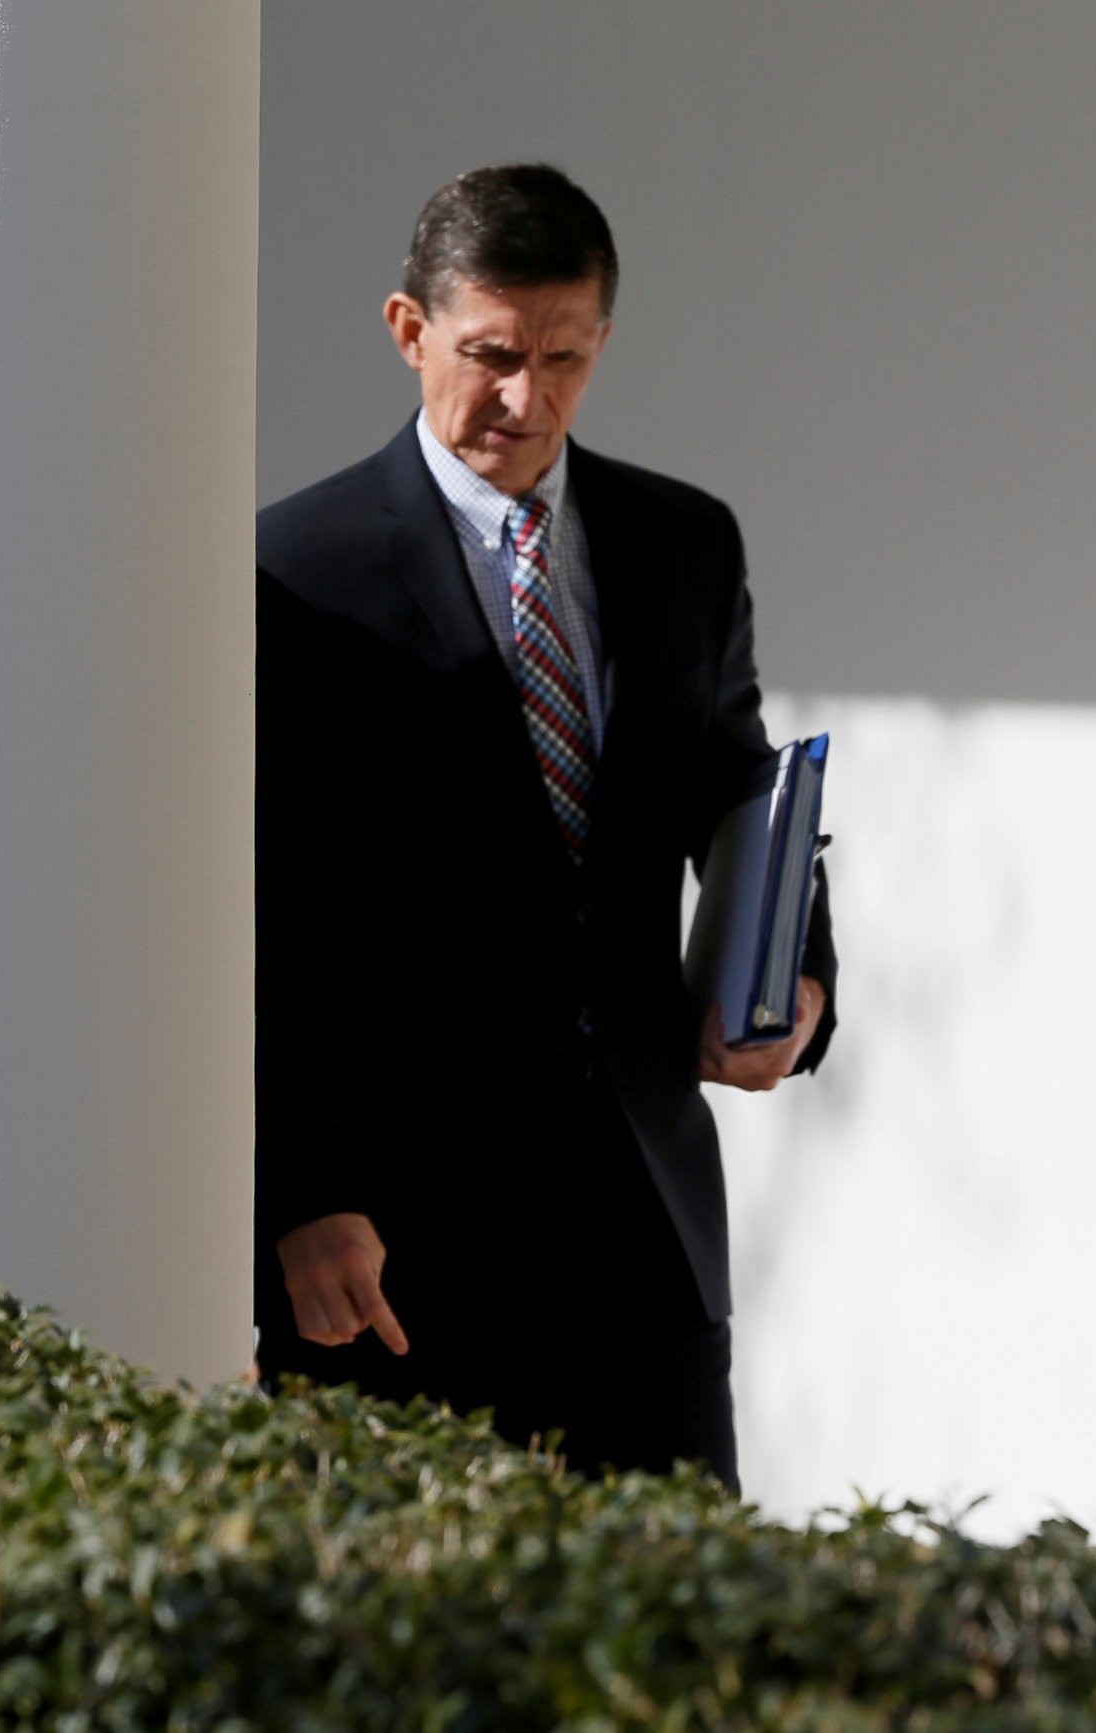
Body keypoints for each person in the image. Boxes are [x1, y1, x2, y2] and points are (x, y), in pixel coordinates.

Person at [252, 165, 834, 1494]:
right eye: (492, 356)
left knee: (688, 1659)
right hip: (398, 1251)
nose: (528, 398)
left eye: (564, 358)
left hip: (646, 1234)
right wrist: (300, 1195)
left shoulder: (684, 541)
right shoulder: (294, 571)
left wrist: (793, 978)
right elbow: (262, 908)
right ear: (409, 331)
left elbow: (735, 784)